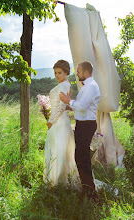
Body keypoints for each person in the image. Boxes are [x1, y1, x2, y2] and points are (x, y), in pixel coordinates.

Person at [60, 61, 100, 199]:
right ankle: (87, 188)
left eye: (78, 71)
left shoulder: (91, 87)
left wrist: (67, 100)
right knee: (81, 157)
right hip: (83, 124)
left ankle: (90, 193)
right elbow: (83, 106)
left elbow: (82, 107)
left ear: (86, 72)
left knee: (82, 158)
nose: (76, 73)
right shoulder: (87, 86)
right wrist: (69, 107)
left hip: (86, 125)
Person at [43, 60, 79, 187]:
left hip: (59, 122)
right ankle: (57, 180)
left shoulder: (64, 86)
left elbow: (61, 107)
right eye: (55, 72)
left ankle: (59, 181)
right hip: (59, 121)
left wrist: (50, 122)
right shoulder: (64, 84)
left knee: (58, 150)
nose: (57, 75)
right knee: (56, 148)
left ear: (66, 73)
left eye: (59, 72)